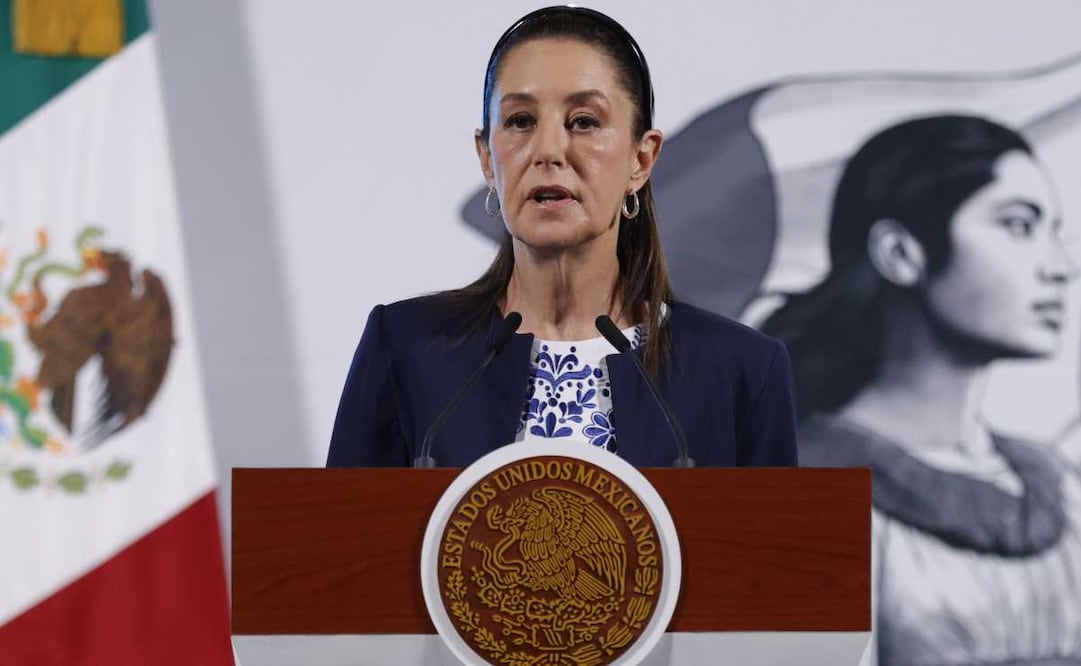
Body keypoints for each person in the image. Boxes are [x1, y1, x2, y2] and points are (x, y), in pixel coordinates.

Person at [326, 6, 797, 469]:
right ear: (488, 158)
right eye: (520, 122)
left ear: (641, 159)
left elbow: (774, 546)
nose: (548, 151)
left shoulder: (742, 370)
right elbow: (336, 543)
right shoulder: (407, 348)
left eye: (584, 122)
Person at [761, 115, 1081, 665]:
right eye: (1019, 225)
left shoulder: (1066, 488)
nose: (1061, 268)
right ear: (902, 253)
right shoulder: (789, 493)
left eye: (1055, 232)